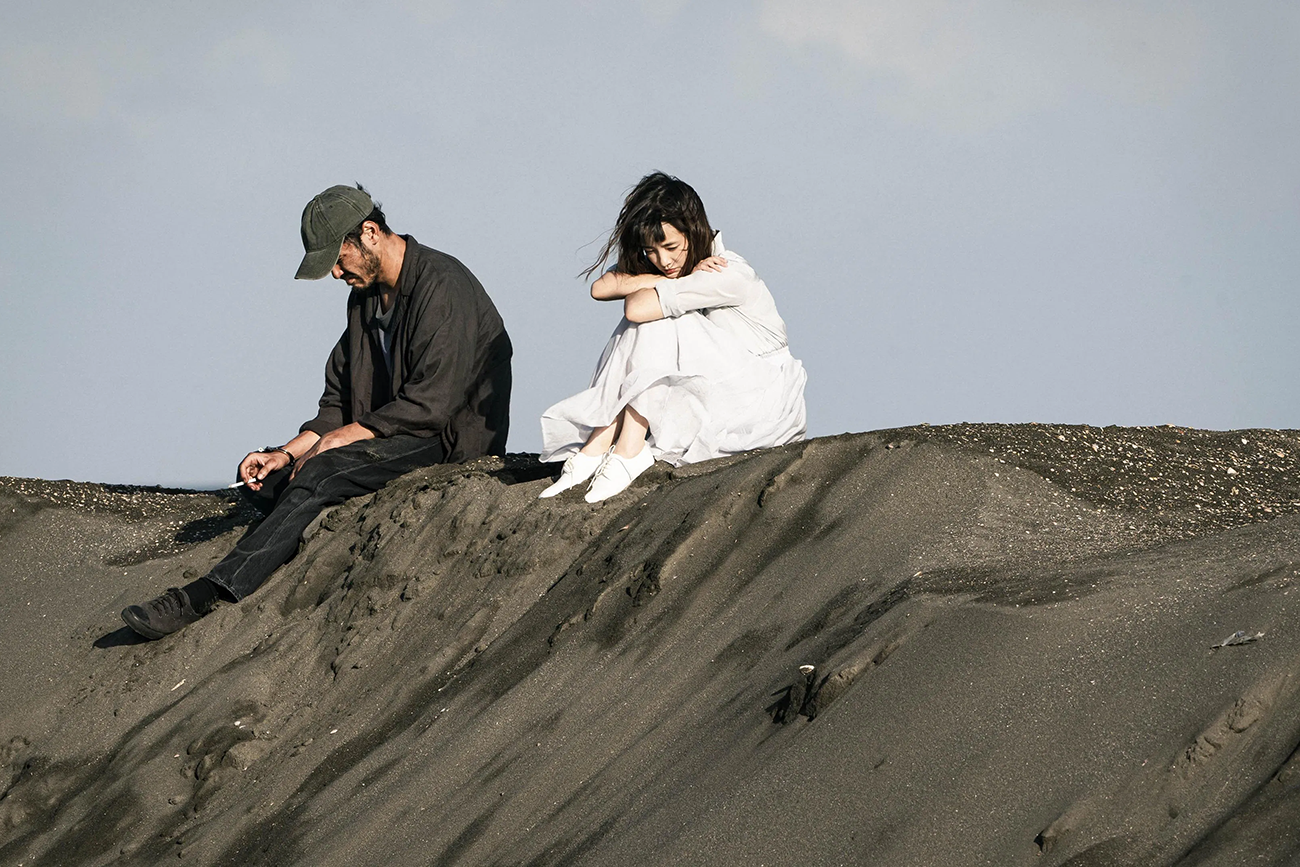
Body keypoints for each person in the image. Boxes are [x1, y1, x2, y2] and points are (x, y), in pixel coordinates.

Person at [121, 184, 512, 639]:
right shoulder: (364, 300)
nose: (334, 273)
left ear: (370, 233)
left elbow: (433, 405)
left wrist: (339, 440)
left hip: (446, 442)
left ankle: (208, 592)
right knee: (269, 479)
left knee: (324, 470)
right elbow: (340, 401)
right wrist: (285, 454)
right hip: (390, 434)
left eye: (338, 258)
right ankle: (294, 508)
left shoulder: (442, 285)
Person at [539, 172, 806, 503]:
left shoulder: (724, 271)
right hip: (719, 387)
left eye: (671, 247)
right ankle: (601, 444)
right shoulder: (679, 269)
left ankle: (622, 449)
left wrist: (662, 283)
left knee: (656, 319)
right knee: (654, 316)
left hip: (759, 404)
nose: (663, 261)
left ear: (694, 231)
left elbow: (635, 308)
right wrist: (664, 279)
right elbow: (601, 288)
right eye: (650, 251)